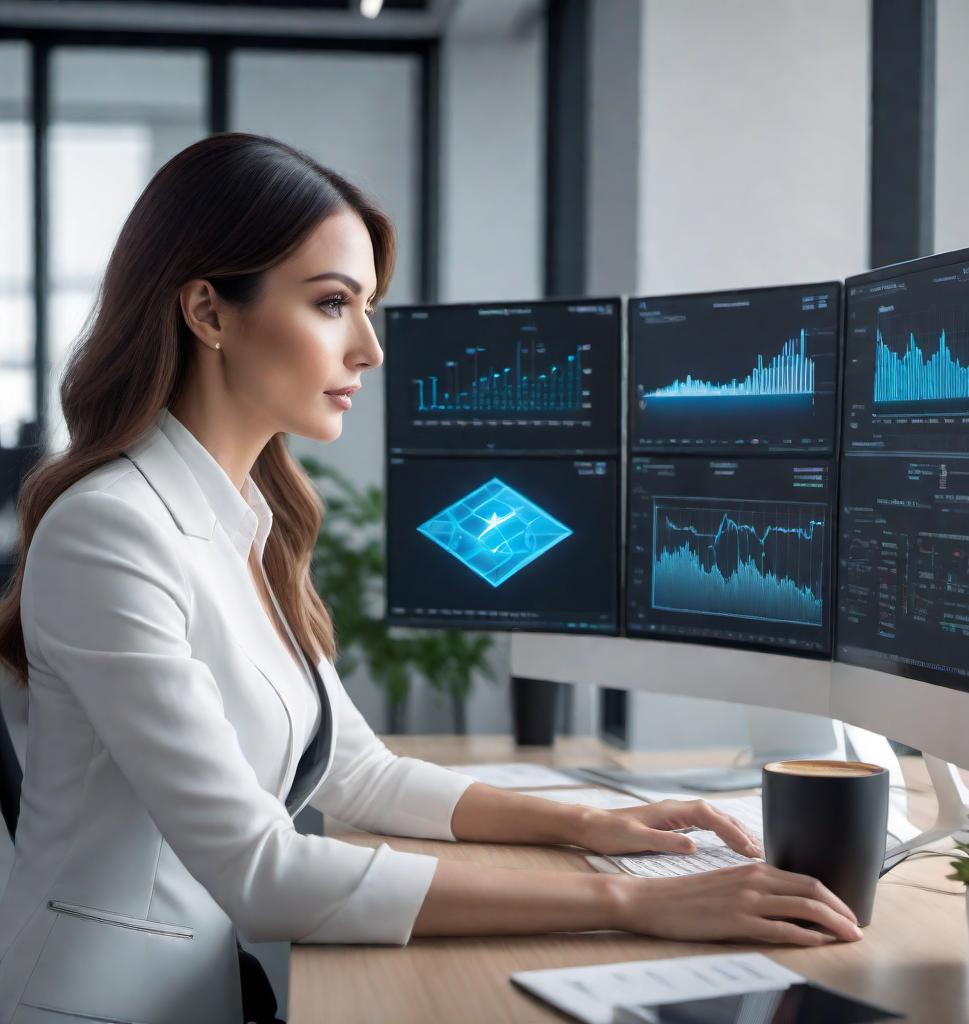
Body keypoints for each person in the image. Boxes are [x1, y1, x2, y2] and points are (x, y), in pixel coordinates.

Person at [0, 133, 861, 1024]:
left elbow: (358, 775)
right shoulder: (112, 531)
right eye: (333, 304)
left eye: (366, 308)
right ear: (209, 313)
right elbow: (264, 872)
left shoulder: (242, 518)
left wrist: (584, 825)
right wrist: (632, 904)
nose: (370, 349)